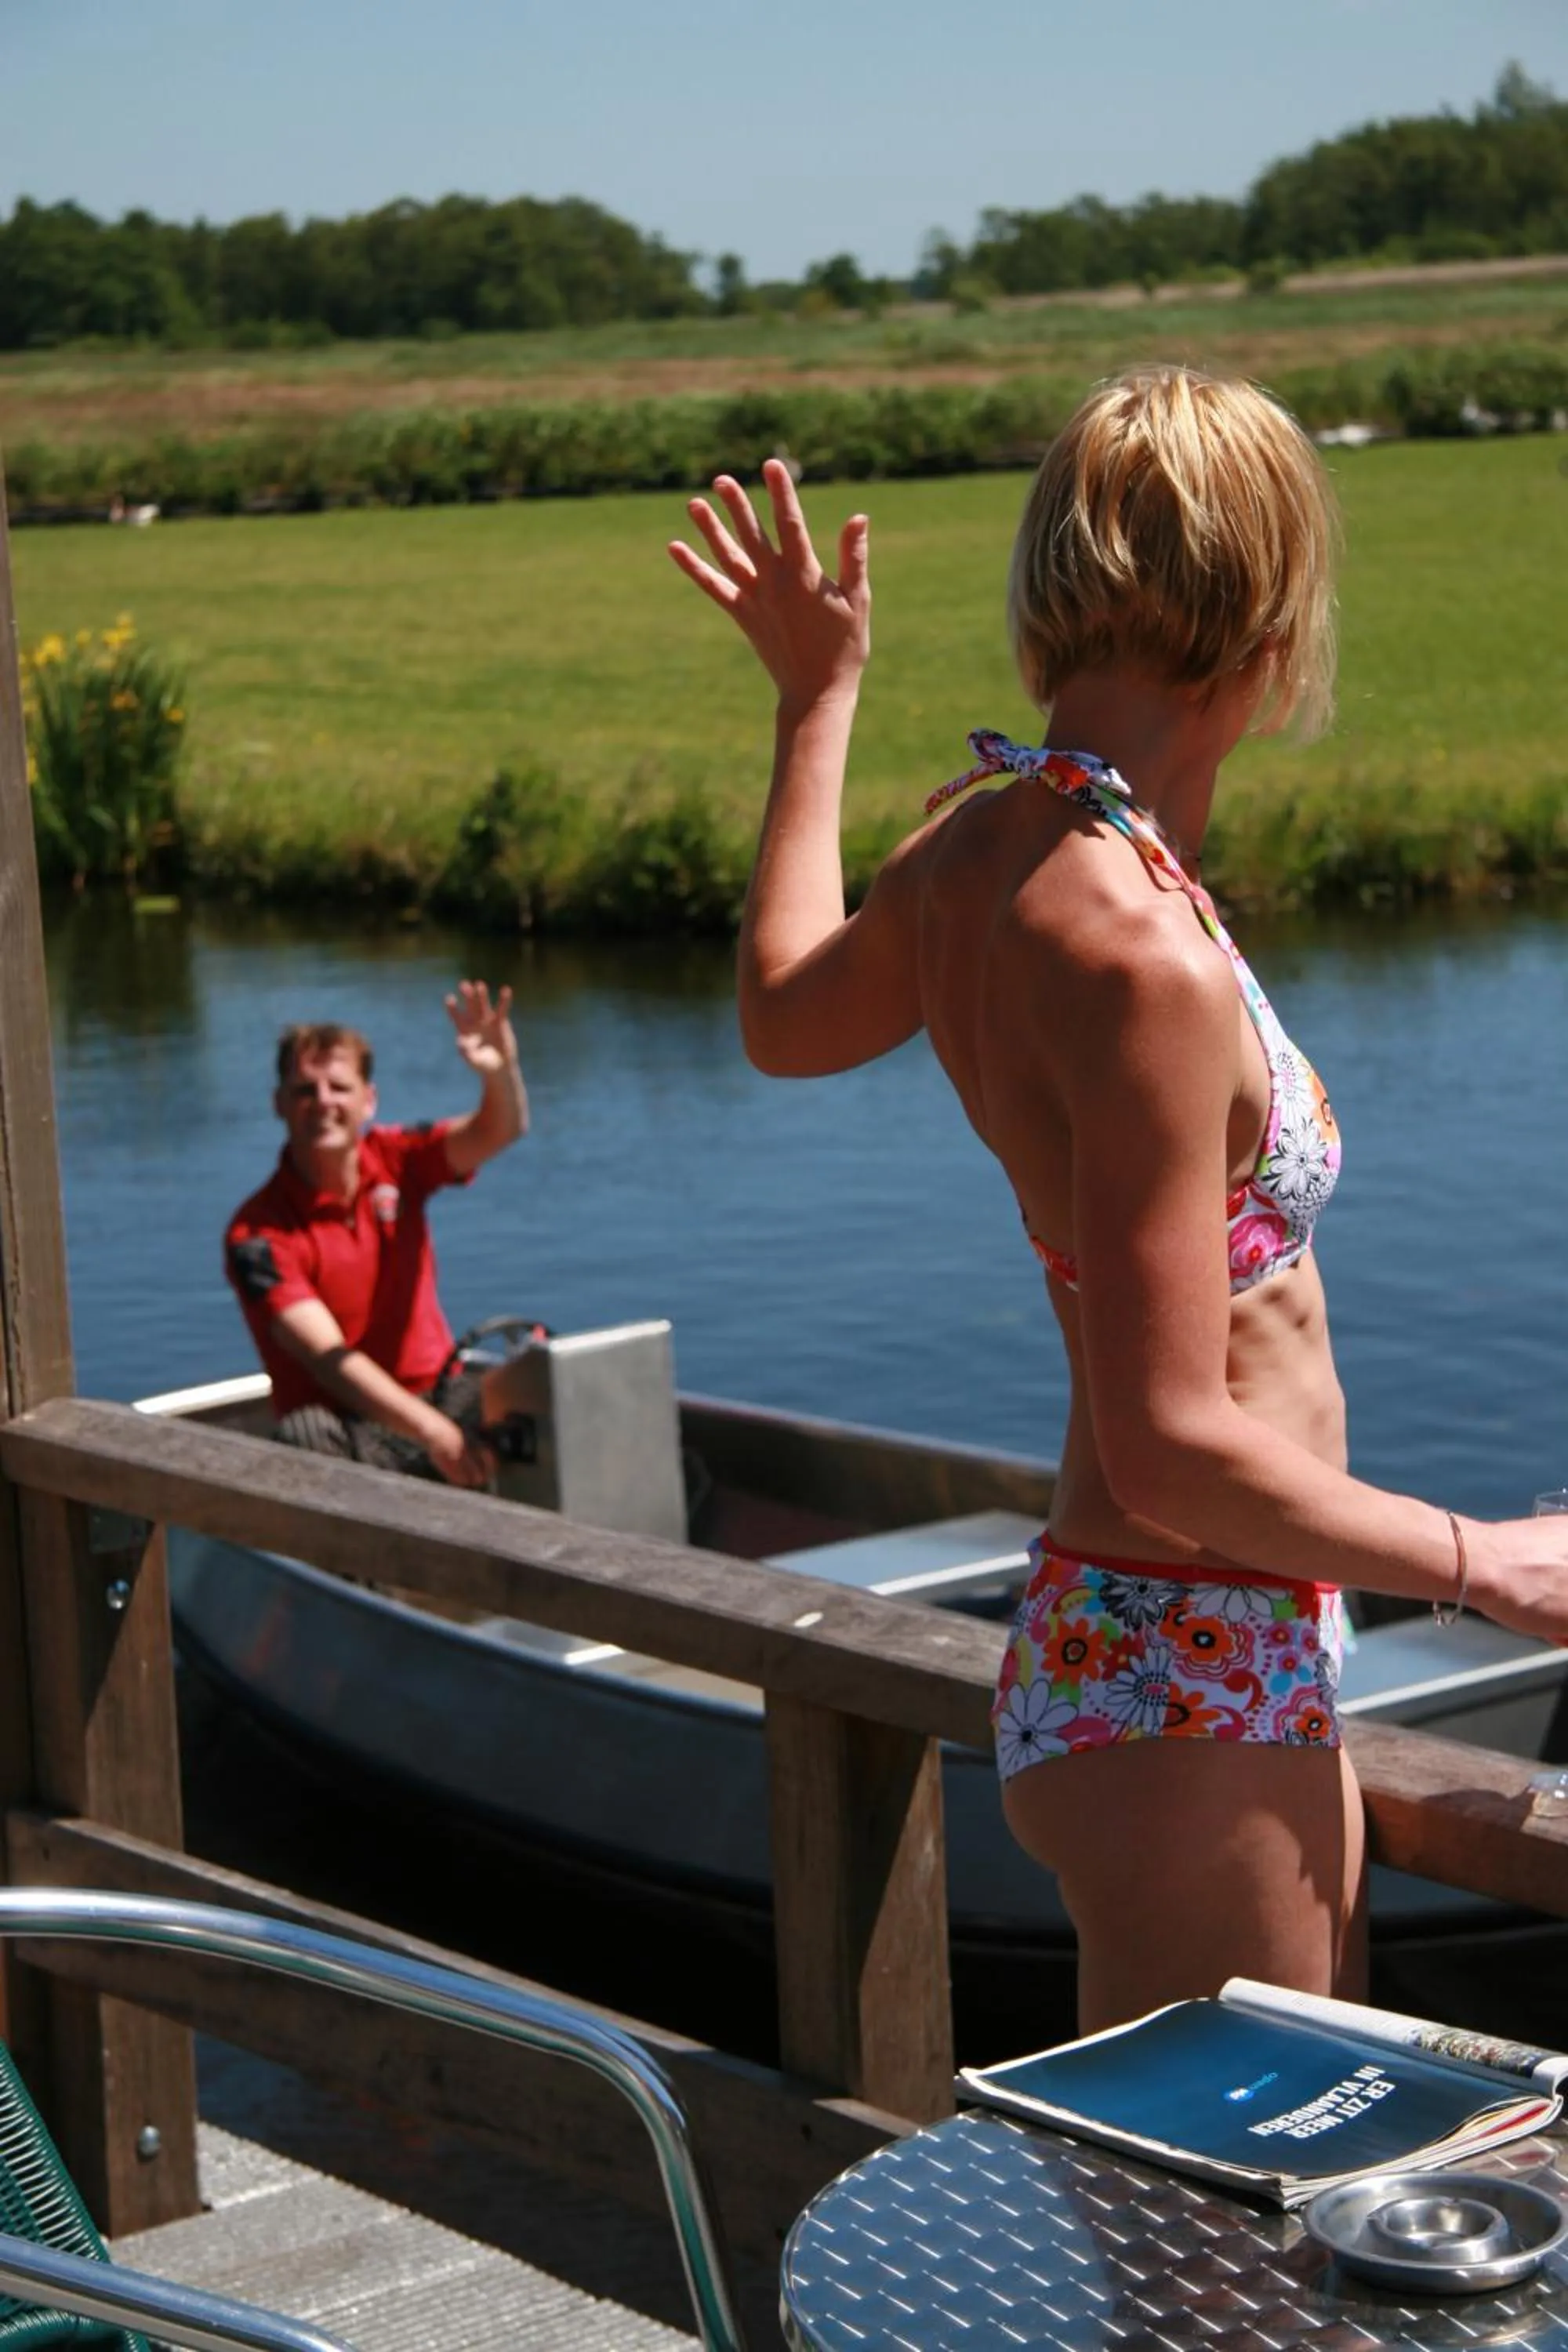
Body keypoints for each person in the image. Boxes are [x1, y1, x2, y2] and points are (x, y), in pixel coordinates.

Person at [667, 365, 1568, 2031]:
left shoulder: (982, 853)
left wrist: (816, 700)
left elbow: (783, 1011)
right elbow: (1169, 1436)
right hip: (1189, 1653)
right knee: (1221, 2256)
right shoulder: (1138, 948)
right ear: (1269, 628)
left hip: (1156, 1640)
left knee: (1209, 2227)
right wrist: (1488, 1561)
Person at [225, 981, 528, 1489]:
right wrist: (435, 1434)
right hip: (349, 1433)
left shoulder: (399, 1158)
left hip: (436, 1398)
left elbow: (498, 1131)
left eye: (339, 1087)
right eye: (304, 1090)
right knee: (305, 1433)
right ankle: (348, 1569)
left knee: (527, 1392)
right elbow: (329, 1361)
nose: (322, 1102)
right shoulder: (257, 1233)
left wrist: (501, 1074)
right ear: (279, 1103)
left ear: (369, 1100)